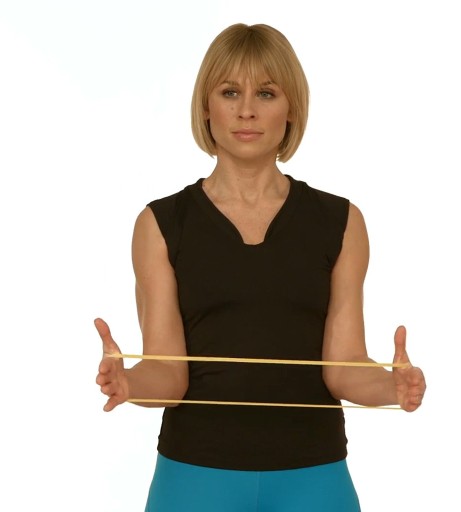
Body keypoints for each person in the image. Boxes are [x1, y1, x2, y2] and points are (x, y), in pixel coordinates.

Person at [95, 23, 426, 512]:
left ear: (290, 108)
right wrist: (130, 383)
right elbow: (168, 371)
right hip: (195, 475)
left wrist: (390, 387)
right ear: (206, 107)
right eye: (230, 92)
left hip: (313, 476)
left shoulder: (340, 222)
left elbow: (343, 367)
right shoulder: (161, 224)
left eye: (266, 93)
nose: (246, 110)